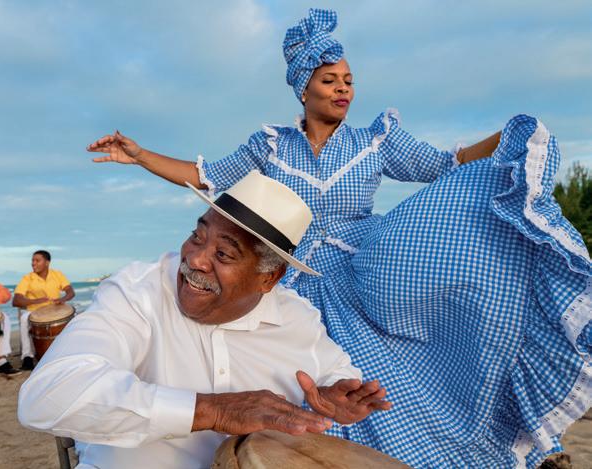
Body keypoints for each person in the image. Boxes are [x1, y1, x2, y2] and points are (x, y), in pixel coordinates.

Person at [86, 8, 592, 468]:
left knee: (391, 375)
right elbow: (207, 177)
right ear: (303, 89)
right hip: (293, 278)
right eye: (329, 80)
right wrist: (140, 156)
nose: (342, 89)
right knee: (312, 382)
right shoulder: (271, 145)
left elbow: (447, 166)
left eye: (348, 81)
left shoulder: (376, 140)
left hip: (369, 272)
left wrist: (511, 139)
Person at [18, 171, 392, 468]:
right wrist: (211, 410)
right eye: (197, 236)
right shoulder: (138, 292)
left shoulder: (297, 320)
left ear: (268, 278)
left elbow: (336, 376)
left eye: (224, 254)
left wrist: (338, 396)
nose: (196, 259)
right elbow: (46, 396)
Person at [12, 250, 75, 370]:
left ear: (47, 263)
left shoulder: (57, 274)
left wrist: (63, 299)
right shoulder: (27, 278)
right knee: (25, 319)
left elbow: (70, 291)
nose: (33, 263)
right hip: (34, 312)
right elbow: (16, 301)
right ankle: (27, 357)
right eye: (32, 260)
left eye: (37, 260)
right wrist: (35, 301)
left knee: (73, 316)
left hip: (54, 310)